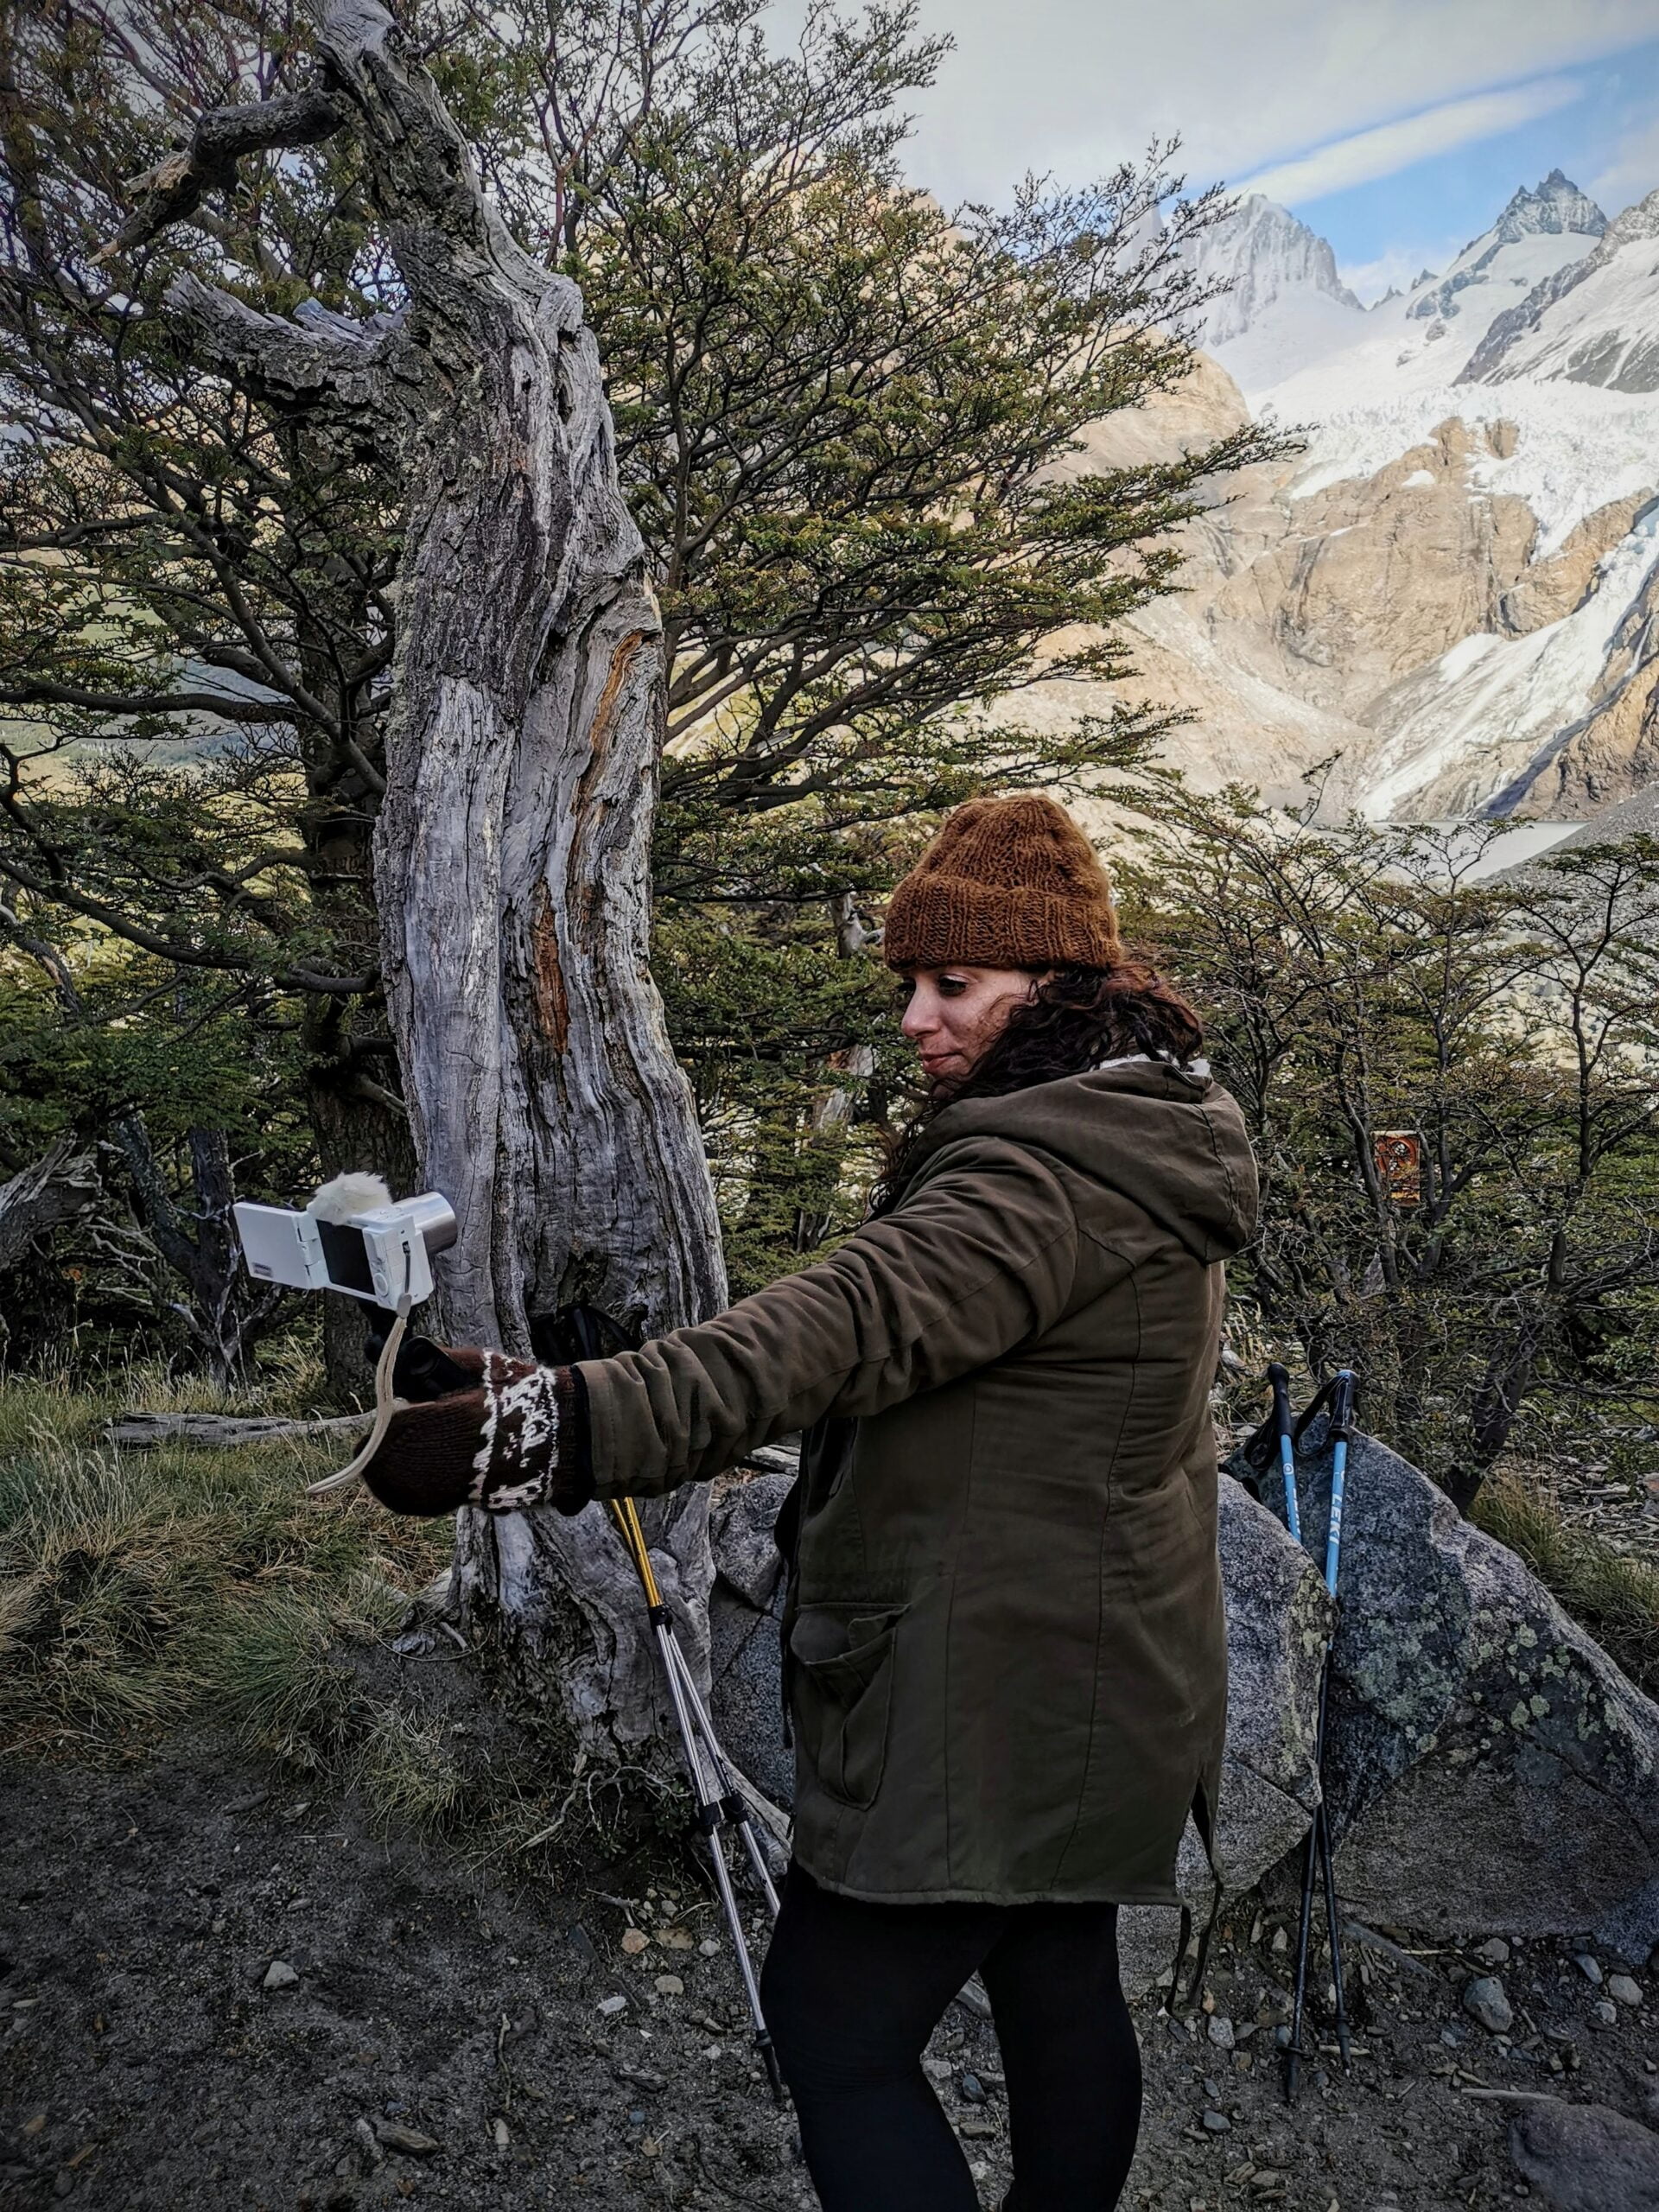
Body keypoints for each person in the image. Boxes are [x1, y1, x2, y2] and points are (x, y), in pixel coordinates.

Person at [358, 793, 1258, 2211]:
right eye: (910, 980)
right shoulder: (1136, 1135)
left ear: (1053, 988)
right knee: (1056, 1979)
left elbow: (819, 1339)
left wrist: (535, 1433)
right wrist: (522, 1379)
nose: (914, 1015)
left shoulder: (1039, 1179)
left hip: (997, 1690)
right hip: (1101, 1671)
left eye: (951, 983)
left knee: (835, 2029)